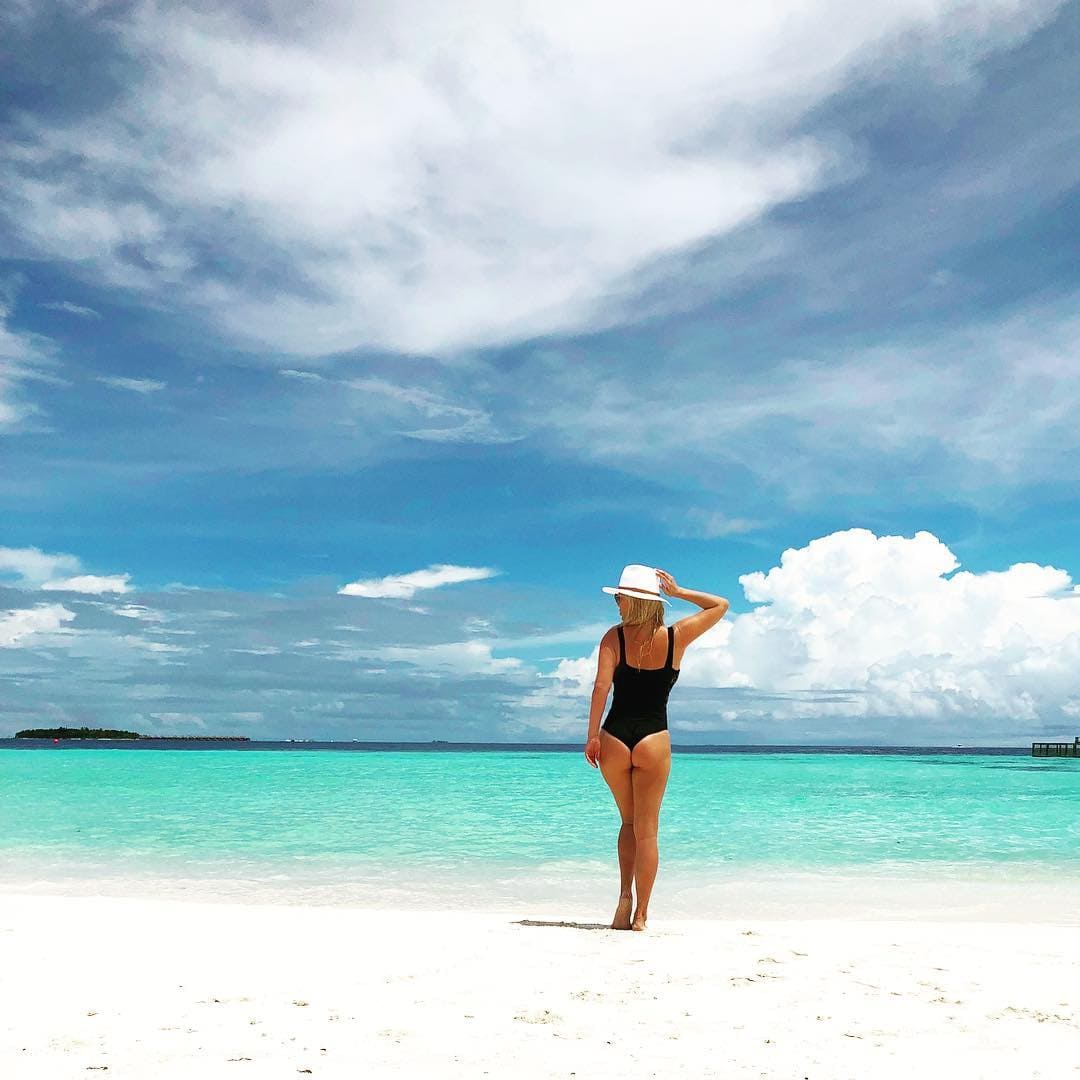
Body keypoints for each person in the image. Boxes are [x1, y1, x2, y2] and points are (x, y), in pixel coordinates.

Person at [584, 565, 729, 931]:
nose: (617, 603)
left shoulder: (613, 638)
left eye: (620, 597)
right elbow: (720, 606)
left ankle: (624, 900)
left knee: (628, 822)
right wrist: (679, 593)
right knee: (647, 831)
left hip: (615, 736)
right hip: (654, 738)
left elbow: (601, 688)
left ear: (631, 601)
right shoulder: (676, 637)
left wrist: (592, 736)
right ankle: (641, 914)